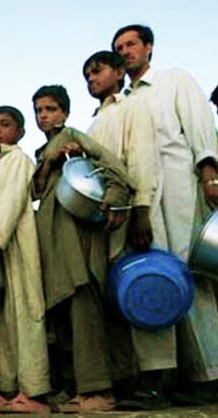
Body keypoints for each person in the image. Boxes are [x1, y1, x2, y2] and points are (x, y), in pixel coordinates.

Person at [112, 24, 218, 404]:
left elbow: (200, 126)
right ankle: (169, 378)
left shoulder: (174, 80)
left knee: (192, 277)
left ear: (149, 48)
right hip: (144, 199)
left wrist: (210, 174)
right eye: (119, 47)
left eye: (131, 44)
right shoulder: (123, 101)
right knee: (156, 280)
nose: (125, 51)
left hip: (180, 189)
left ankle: (209, 376)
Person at [83, 50, 175, 409]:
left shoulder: (132, 108)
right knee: (119, 300)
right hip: (105, 222)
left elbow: (142, 158)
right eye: (87, 75)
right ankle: (129, 380)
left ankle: (156, 383)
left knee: (146, 292)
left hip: (132, 215)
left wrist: (141, 210)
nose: (92, 78)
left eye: (98, 70)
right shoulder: (95, 122)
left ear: (119, 72)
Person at [32, 85, 132, 412]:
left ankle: (99, 389)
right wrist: (49, 163)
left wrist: (114, 200)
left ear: (64, 112)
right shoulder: (42, 152)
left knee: (84, 308)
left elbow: (114, 169)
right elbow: (36, 191)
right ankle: (74, 385)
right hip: (52, 241)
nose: (44, 116)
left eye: (50, 109)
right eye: (39, 110)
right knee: (62, 316)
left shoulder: (75, 137)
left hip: (78, 237)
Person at [0, 106, 50, 415]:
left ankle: (34, 392)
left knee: (25, 316)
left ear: (20, 132)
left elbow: (13, 200)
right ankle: (8, 389)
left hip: (15, 247)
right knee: (1, 322)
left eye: (5, 124)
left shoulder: (18, 160)